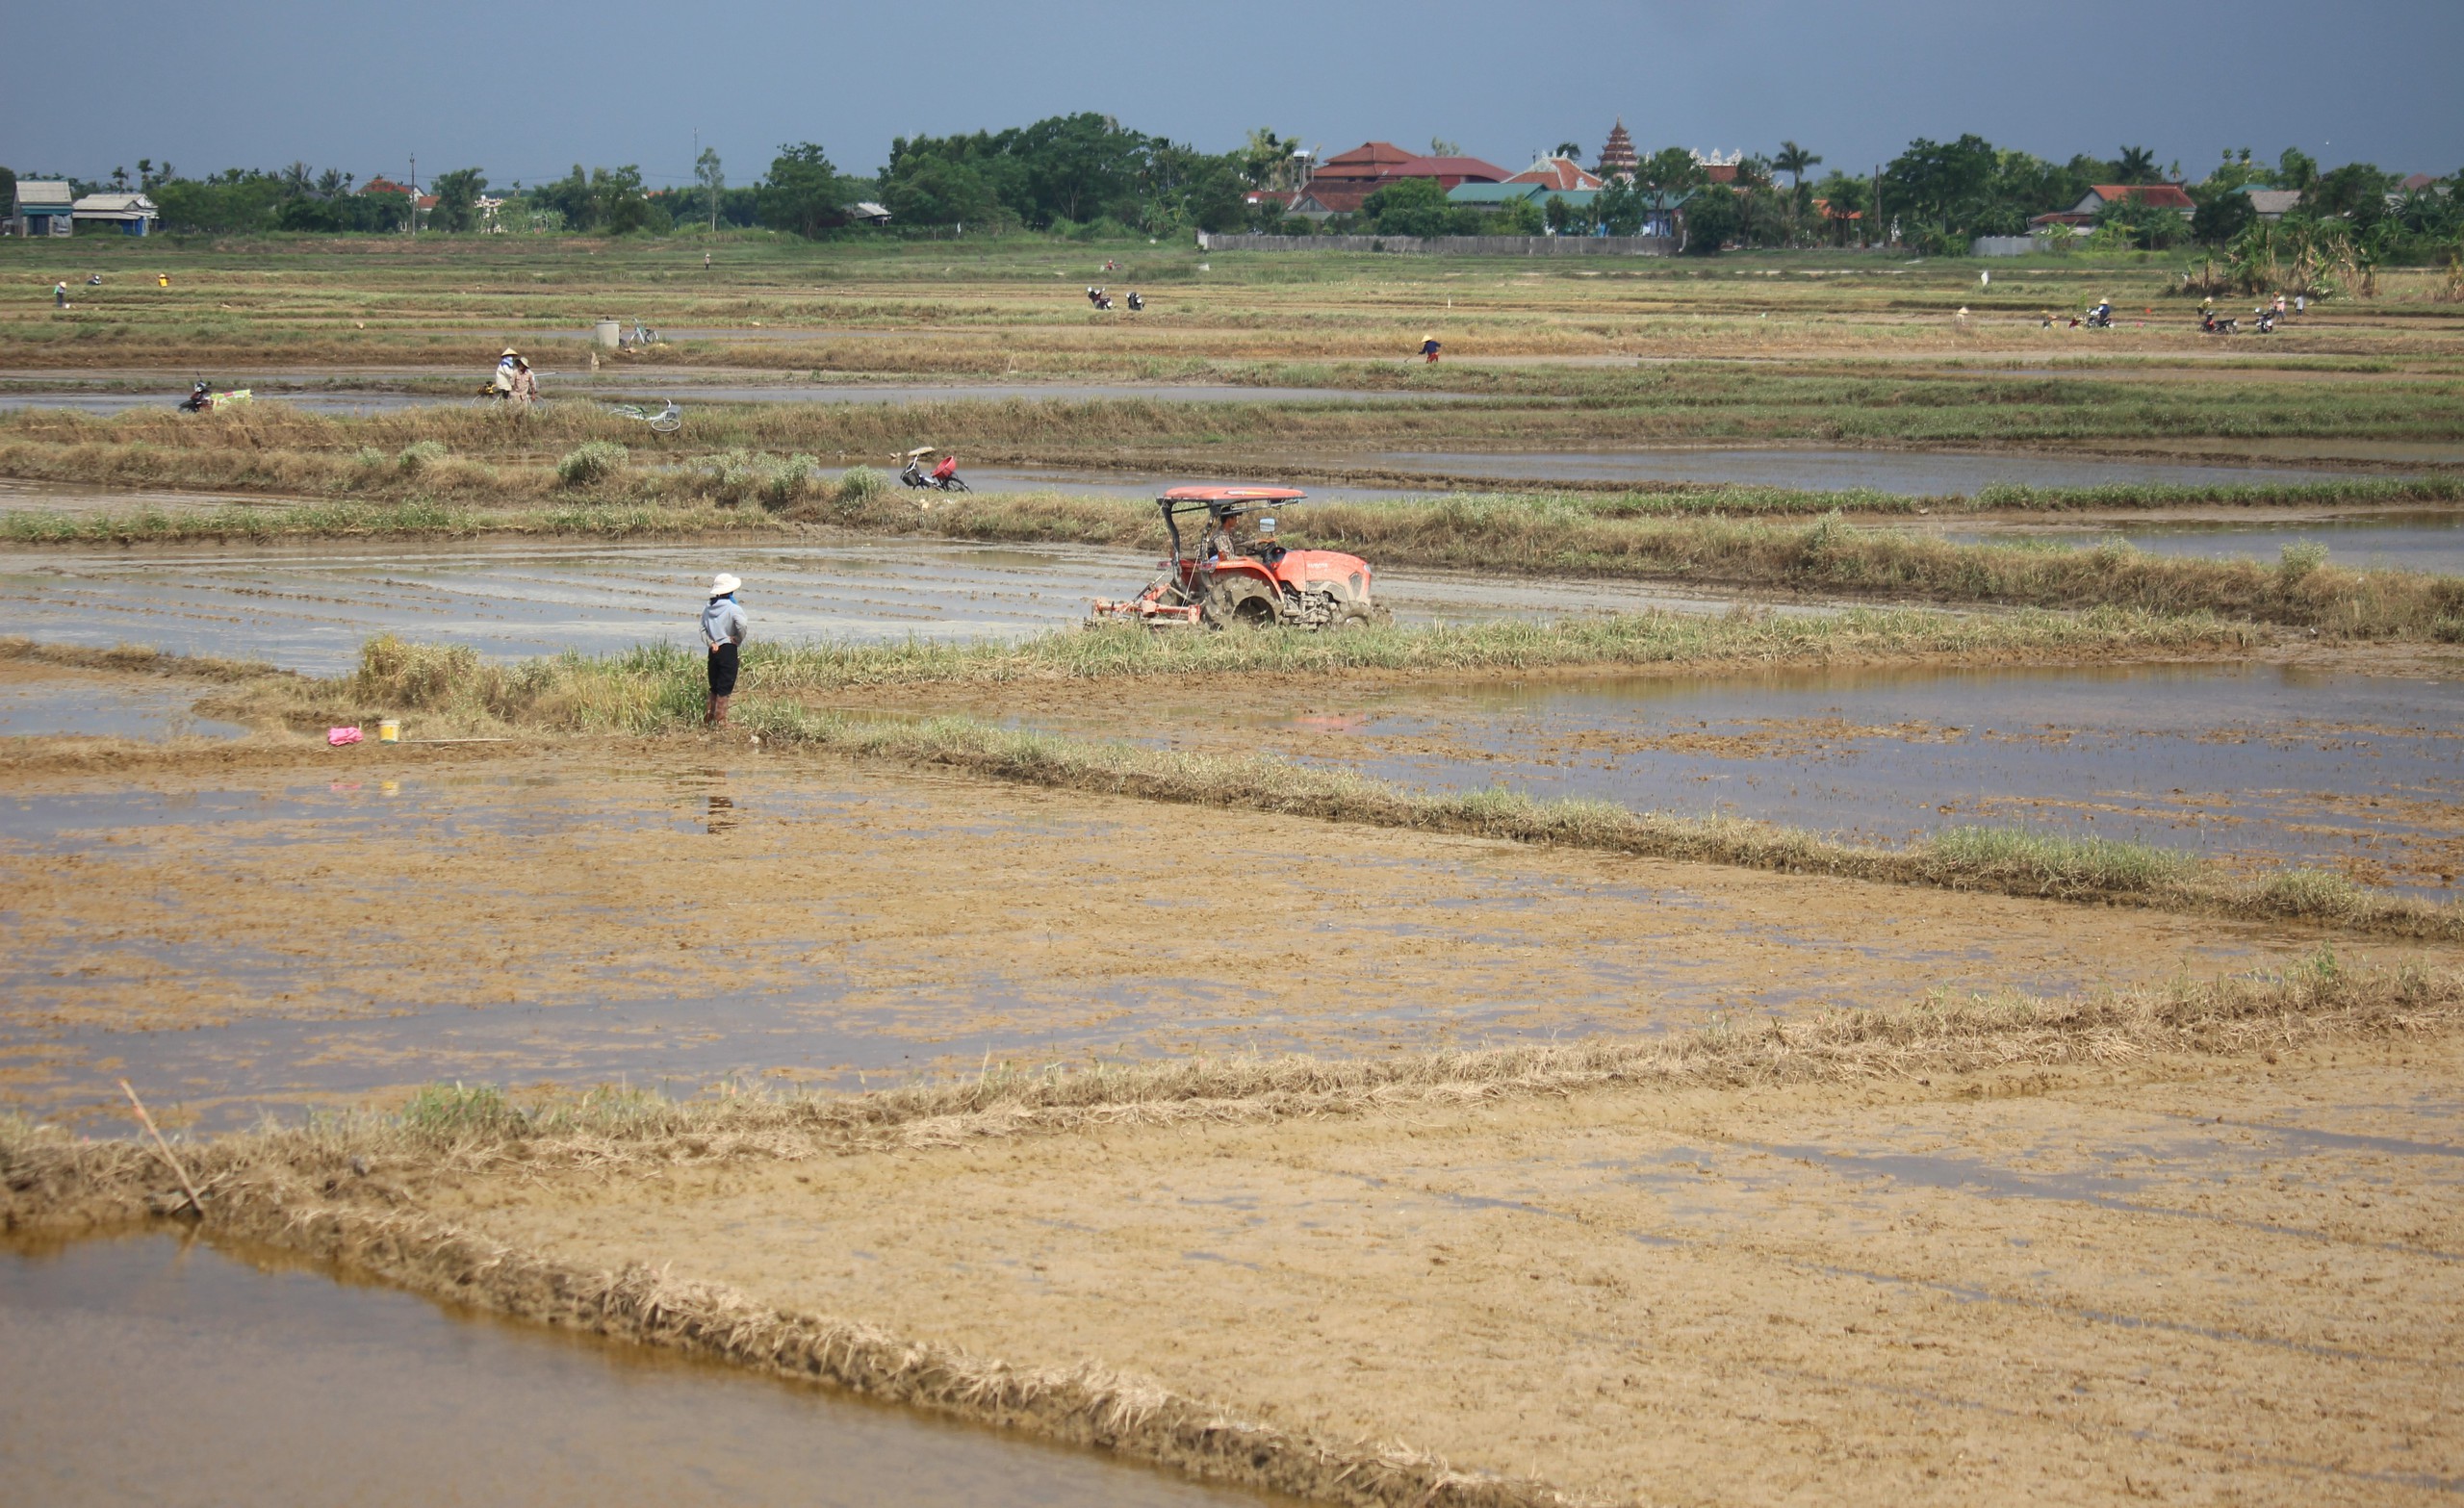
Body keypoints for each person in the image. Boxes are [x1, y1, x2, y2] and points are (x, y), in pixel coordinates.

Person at [701, 574, 748, 728]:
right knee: (725, 684)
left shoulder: (707, 608)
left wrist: (711, 642)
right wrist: (737, 639)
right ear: (730, 591)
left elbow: (702, 629)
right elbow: (742, 625)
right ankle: (721, 720)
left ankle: (709, 718)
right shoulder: (733, 608)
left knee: (714, 684)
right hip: (728, 647)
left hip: (713, 649)